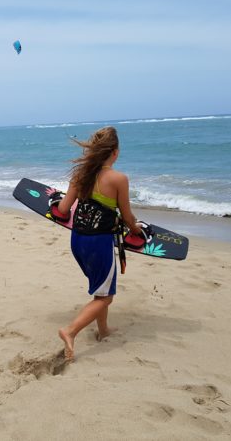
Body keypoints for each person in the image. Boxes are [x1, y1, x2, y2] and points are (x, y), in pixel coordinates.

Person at [54, 126, 142, 361]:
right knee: (106, 297)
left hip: (78, 241)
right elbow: (126, 216)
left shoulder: (80, 175)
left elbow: (63, 210)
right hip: (100, 244)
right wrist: (137, 229)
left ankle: (103, 331)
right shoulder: (118, 179)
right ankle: (70, 331)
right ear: (115, 152)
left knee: (101, 289)